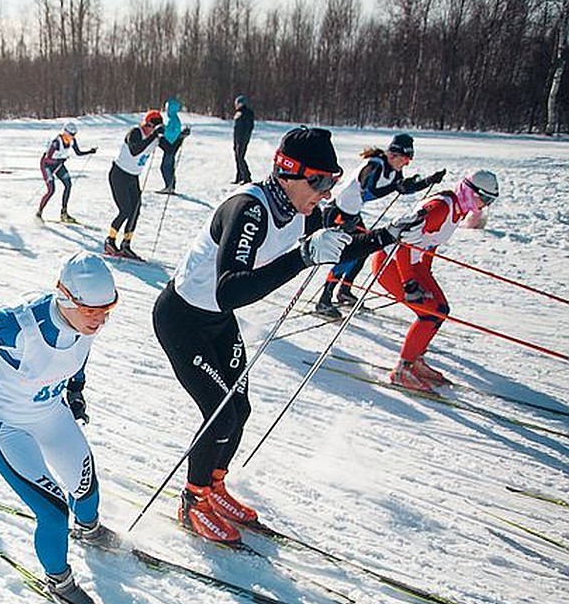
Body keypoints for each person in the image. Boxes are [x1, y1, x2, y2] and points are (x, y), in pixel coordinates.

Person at [152, 127, 427, 542]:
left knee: (240, 408)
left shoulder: (303, 210)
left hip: (218, 322)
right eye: (319, 181)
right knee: (219, 411)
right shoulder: (248, 209)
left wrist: (389, 235)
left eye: (331, 181)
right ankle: (192, 499)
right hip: (182, 320)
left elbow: (337, 245)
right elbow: (231, 289)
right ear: (287, 173)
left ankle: (214, 484)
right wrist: (300, 257)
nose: (325, 191)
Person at [0, 251, 121, 604]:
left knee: (86, 490)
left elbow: (78, 355)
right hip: (7, 427)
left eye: (108, 309)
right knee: (53, 512)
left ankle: (89, 530)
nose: (100, 319)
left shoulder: (84, 322)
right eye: (92, 311)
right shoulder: (17, 325)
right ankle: (59, 582)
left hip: (51, 413)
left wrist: (77, 390)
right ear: (67, 298)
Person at [373, 169, 499, 392]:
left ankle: (416, 360)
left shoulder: (458, 210)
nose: (485, 205)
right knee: (429, 313)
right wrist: (410, 283)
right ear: (471, 192)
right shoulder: (441, 207)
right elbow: (404, 242)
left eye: (490, 200)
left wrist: (426, 276)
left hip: (412, 263)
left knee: (441, 309)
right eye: (485, 198)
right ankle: (402, 370)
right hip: (391, 262)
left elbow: (430, 244)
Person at [314, 133, 446, 318]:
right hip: (337, 212)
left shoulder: (393, 168)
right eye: (406, 158)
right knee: (347, 256)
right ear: (393, 154)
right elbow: (369, 191)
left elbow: (403, 188)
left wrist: (429, 181)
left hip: (351, 214)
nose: (407, 163)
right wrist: (395, 187)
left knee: (362, 252)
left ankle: (344, 291)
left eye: (410, 159)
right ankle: (323, 301)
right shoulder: (374, 165)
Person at [104, 109, 171, 261]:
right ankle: (110, 240)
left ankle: (126, 244)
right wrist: (154, 134)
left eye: (152, 128)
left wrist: (180, 138)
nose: (149, 130)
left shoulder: (155, 138)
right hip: (118, 174)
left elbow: (170, 150)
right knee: (125, 210)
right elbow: (135, 150)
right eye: (148, 126)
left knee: (135, 210)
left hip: (133, 177)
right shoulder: (134, 132)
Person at [37, 121, 96, 222]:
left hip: (58, 165)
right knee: (51, 190)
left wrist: (90, 151)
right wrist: (58, 160)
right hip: (46, 165)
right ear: (65, 132)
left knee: (68, 184)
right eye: (71, 135)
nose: (72, 137)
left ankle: (64, 213)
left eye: (74, 135)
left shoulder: (72, 141)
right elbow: (47, 158)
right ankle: (39, 212)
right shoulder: (56, 142)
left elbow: (78, 152)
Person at [155, 98, 191, 195]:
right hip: (170, 147)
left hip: (170, 147)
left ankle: (169, 186)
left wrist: (163, 131)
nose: (166, 110)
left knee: (166, 167)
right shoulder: (173, 119)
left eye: (168, 108)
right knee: (167, 166)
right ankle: (170, 186)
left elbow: (172, 134)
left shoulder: (174, 120)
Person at [232, 94, 254, 184]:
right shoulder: (238, 113)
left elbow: (248, 127)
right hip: (237, 138)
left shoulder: (247, 113)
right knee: (237, 157)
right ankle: (239, 176)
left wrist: (244, 139)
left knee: (240, 158)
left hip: (243, 139)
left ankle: (247, 177)